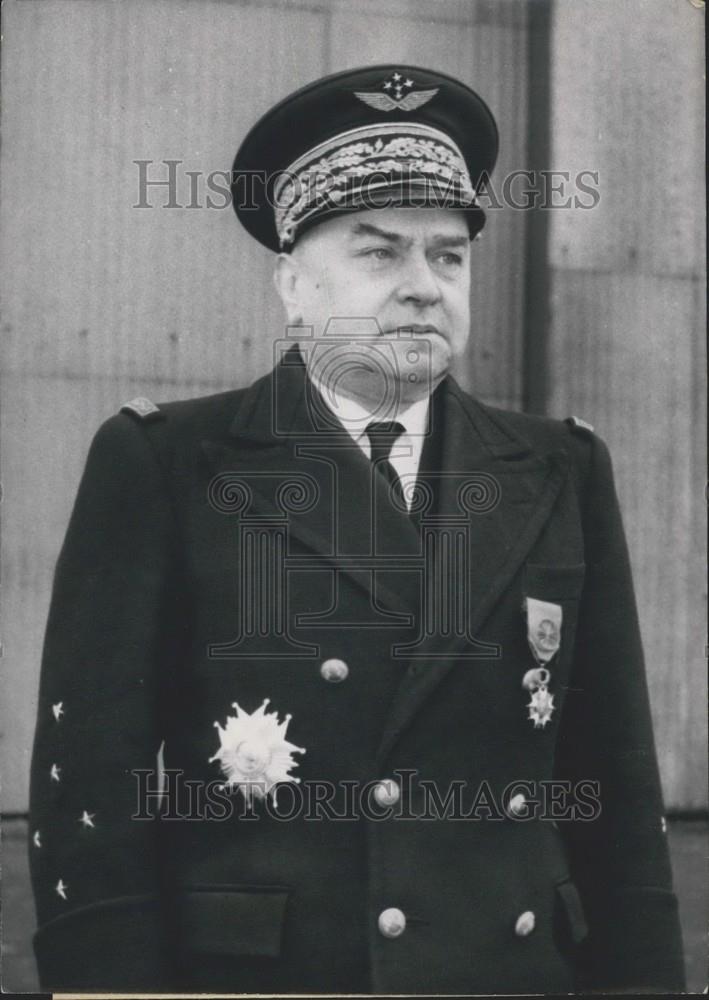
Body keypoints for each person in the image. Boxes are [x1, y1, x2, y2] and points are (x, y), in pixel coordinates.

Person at [28, 64, 685, 994]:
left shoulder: (557, 468)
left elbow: (613, 785)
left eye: (448, 256)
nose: (424, 287)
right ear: (292, 286)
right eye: (379, 254)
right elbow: (91, 788)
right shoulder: (172, 463)